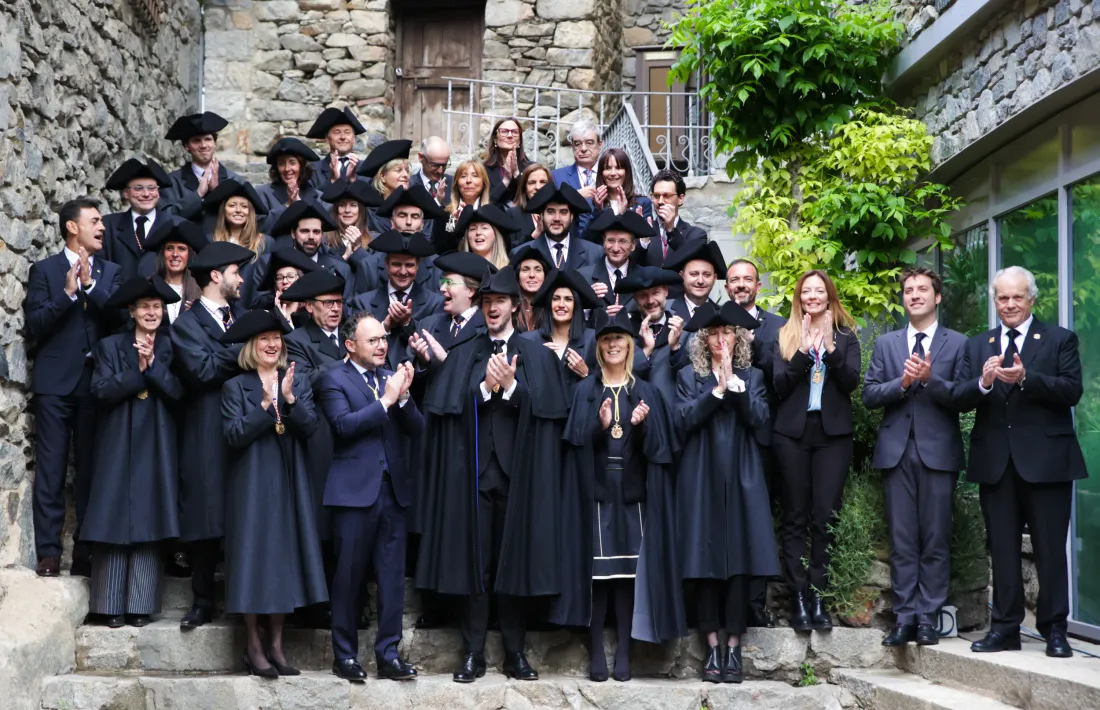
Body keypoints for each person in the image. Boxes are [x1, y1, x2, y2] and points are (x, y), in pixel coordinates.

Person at [414, 266, 569, 683]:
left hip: (520, 478)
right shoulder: (466, 350)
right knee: (476, 565)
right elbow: (447, 409)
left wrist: (514, 390)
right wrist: (484, 388)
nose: (493, 309)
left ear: (515, 306)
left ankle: (516, 653)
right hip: (476, 477)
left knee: (513, 563)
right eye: (487, 303)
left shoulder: (536, 353)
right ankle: (473, 653)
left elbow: (551, 412)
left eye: (500, 302)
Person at [953, 266, 1087, 659]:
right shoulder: (978, 345)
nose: (1009, 304)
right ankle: (1005, 628)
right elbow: (960, 397)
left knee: (1049, 549)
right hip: (996, 461)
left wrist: (1028, 378)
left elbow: (1071, 391)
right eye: (1002, 298)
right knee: (1003, 549)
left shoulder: (1059, 339)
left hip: (1047, 461)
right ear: (994, 300)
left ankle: (1055, 630)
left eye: (1016, 297)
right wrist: (984, 383)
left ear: (1031, 299)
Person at [552, 310, 683, 682]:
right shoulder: (585, 391)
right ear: (599, 347)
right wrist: (600, 426)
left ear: (629, 346)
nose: (612, 345)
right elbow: (574, 446)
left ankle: (624, 653)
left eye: (619, 340)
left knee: (627, 575)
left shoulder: (645, 391)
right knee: (598, 574)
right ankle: (596, 653)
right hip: (595, 495)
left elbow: (660, 452)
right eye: (606, 340)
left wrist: (641, 429)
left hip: (634, 494)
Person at [220, 310, 328, 677]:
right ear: (252, 346)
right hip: (250, 483)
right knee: (253, 559)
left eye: (276, 338)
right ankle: (253, 645)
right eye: (264, 339)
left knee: (282, 558)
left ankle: (278, 646)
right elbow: (233, 435)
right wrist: (266, 406)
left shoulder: (295, 380)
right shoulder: (235, 386)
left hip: (287, 479)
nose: (271, 344)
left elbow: (311, 427)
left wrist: (289, 401)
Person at [863, 267, 967, 647]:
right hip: (896, 452)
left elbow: (964, 396)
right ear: (903, 299)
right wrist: (903, 383)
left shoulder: (957, 343)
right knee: (902, 539)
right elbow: (870, 395)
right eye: (909, 290)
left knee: (936, 538)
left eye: (923, 289)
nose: (915, 295)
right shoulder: (888, 344)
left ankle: (929, 617)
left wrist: (929, 379)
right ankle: (905, 616)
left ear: (937, 297)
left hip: (938, 452)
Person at [676, 302, 780, 683]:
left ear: (737, 339)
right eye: (715, 334)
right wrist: (715, 391)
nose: (721, 339)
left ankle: (734, 647)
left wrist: (734, 389)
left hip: (741, 476)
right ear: (705, 339)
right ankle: (713, 646)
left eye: (728, 333)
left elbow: (762, 420)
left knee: (738, 564)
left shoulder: (751, 377)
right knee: (705, 564)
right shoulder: (690, 376)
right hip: (701, 477)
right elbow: (682, 419)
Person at [317, 312, 422, 682]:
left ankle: (388, 654)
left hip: (392, 492)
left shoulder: (388, 375)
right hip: (352, 495)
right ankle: (344, 656)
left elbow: (418, 429)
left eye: (383, 339)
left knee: (392, 579)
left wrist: (405, 398)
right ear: (350, 346)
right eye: (373, 340)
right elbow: (344, 426)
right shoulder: (333, 378)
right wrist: (386, 402)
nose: (382, 346)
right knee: (348, 577)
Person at [25, 197, 122, 578]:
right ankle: (49, 553)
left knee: (91, 470)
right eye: (95, 221)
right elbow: (36, 325)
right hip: (54, 384)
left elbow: (118, 318)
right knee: (50, 470)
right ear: (72, 227)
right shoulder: (45, 270)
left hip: (97, 383)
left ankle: (85, 549)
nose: (102, 227)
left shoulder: (111, 272)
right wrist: (67, 295)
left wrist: (90, 285)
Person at [82, 275, 183, 627]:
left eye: (157, 307)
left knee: (149, 517)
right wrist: (138, 373)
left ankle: (140, 605)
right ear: (132, 311)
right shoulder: (110, 346)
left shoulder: (171, 346)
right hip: (116, 439)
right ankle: (109, 606)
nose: (152, 312)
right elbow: (101, 390)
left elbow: (178, 392)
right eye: (145, 307)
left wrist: (153, 367)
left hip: (156, 440)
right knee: (111, 517)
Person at [169, 240, 254, 628]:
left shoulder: (242, 317)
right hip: (205, 428)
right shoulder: (186, 325)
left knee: (242, 514)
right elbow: (201, 372)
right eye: (236, 272)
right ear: (216, 276)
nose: (241, 278)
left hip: (245, 426)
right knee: (205, 514)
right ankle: (202, 599)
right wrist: (241, 351)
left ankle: (243, 597)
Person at [772, 270, 861, 632]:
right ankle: (797, 599)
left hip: (833, 435)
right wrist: (806, 354)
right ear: (799, 297)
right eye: (805, 290)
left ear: (829, 296)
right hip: (792, 433)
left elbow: (852, 382)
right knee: (794, 516)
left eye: (818, 290)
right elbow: (778, 385)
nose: (812, 295)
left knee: (825, 517)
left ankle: (818, 597)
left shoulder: (846, 336)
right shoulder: (784, 335)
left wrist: (830, 351)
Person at [725, 258, 787, 627]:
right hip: (723, 437)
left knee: (758, 521)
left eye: (748, 279)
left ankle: (754, 603)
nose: (741, 285)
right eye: (734, 280)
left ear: (758, 286)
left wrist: (753, 346)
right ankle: (727, 599)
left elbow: (781, 378)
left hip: (761, 437)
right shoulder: (715, 322)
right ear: (727, 286)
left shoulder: (777, 326)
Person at [347, 230, 442, 368]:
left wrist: (407, 323)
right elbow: (354, 347)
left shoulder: (434, 304)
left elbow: (432, 355)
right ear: (386, 264)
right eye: (397, 264)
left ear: (417, 266)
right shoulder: (363, 302)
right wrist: (384, 327)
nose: (403, 272)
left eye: (409, 265)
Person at [612, 266, 686, 405]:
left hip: (669, 415)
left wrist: (675, 348)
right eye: (643, 295)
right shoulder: (622, 333)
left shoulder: (685, 332)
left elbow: (689, 380)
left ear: (666, 291)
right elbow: (617, 377)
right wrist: (645, 351)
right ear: (635, 297)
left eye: (656, 292)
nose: (650, 300)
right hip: (631, 414)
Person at [521, 268, 602, 392]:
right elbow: (522, 391)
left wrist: (586, 373)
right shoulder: (528, 341)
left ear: (576, 305)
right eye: (556, 298)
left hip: (578, 410)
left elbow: (604, 390)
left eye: (568, 299)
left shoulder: (593, 340)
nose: (561, 305)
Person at [202, 179, 274, 313]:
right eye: (232, 205)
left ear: (250, 212)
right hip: (217, 309)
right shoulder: (210, 241)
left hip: (252, 310)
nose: (238, 210)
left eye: (244, 206)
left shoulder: (264, 243)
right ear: (223, 210)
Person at [267, 200, 354, 305]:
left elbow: (348, 308)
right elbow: (257, 301)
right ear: (293, 233)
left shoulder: (341, 269)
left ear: (322, 235)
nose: (311, 237)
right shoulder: (273, 262)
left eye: (316, 232)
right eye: (305, 231)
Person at [101, 158, 175, 280]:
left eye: (151, 188)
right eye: (138, 188)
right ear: (125, 193)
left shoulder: (175, 225)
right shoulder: (107, 226)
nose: (146, 194)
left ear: (158, 192)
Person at [509, 183, 602, 272]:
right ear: (541, 215)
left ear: (572, 216)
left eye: (563, 212)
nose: (557, 218)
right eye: (551, 212)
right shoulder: (519, 254)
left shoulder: (594, 253)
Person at [162, 112, 240, 216]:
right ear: (186, 146)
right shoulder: (172, 182)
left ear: (214, 144)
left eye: (208, 139)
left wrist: (217, 193)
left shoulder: (235, 181)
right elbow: (165, 217)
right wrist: (198, 195)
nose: (203, 145)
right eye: (196, 141)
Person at [580, 210, 654, 317]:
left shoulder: (645, 278)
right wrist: (587, 301)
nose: (615, 248)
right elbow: (574, 322)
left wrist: (629, 317)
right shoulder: (583, 277)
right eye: (610, 241)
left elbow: (654, 318)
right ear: (603, 242)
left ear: (633, 245)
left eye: (622, 241)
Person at [138, 217, 207, 326]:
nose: (175, 254)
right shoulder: (148, 287)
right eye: (169, 248)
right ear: (162, 254)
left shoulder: (203, 291)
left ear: (190, 255)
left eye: (181, 249)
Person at [319, 180, 383, 294]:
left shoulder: (376, 239)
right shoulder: (324, 240)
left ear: (361, 210)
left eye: (353, 205)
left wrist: (358, 250)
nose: (347, 210)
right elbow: (323, 275)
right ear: (336, 210)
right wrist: (345, 256)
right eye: (342, 205)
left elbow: (377, 275)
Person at [637, 170, 708, 267]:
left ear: (680, 198)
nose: (660, 201)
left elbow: (693, 264)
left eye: (667, 196)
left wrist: (671, 229)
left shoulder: (696, 235)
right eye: (656, 196)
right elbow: (632, 266)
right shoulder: (645, 231)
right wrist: (643, 242)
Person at [255, 137, 323, 234]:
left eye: (292, 163)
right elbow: (259, 228)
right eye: (281, 164)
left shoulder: (319, 198)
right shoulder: (263, 194)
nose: (287, 169)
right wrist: (288, 206)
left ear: (301, 166)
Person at [585, 149, 652, 238]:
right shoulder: (590, 204)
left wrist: (625, 214)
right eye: (608, 168)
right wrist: (597, 211)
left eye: (618, 168)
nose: (613, 173)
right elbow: (584, 241)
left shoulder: (643, 203)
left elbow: (644, 244)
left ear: (626, 172)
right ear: (601, 173)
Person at [551, 119, 602, 237]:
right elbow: (550, 209)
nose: (583, 148)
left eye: (589, 142)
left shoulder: (609, 175)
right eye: (578, 144)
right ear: (572, 146)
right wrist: (574, 196)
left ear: (600, 145)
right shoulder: (557, 176)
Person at [256, 246, 320, 329]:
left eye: (290, 276)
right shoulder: (265, 314)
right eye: (279, 278)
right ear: (275, 287)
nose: (285, 281)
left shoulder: (311, 315)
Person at [358, 140, 413, 236]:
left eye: (407, 170)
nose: (405, 175)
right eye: (398, 170)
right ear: (382, 176)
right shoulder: (369, 213)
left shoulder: (415, 206)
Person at [662, 238, 724, 319]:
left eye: (707, 275)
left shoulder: (722, 315)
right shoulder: (664, 310)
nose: (700, 281)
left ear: (715, 278)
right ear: (682, 275)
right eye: (694, 274)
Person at [307, 106, 367, 188]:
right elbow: (310, 199)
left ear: (353, 138)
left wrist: (353, 181)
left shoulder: (366, 169)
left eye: (347, 132)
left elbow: (370, 199)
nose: (343, 137)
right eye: (337, 132)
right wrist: (332, 180)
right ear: (327, 139)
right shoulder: (313, 170)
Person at [452, 204, 514, 270]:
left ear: (496, 235)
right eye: (473, 229)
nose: (478, 232)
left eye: (484, 228)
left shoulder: (510, 271)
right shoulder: (457, 270)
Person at [505, 163, 553, 246]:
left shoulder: (562, 213)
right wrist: (536, 233)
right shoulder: (512, 215)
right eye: (532, 182)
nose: (538, 187)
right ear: (524, 187)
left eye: (543, 182)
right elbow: (511, 251)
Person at [483, 117, 531, 196]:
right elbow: (485, 201)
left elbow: (533, 198)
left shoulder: (531, 168)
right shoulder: (484, 169)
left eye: (515, 132)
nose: (510, 135)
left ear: (519, 140)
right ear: (495, 139)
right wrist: (506, 180)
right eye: (504, 131)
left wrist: (516, 174)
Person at [510, 244, 552, 333]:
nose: (532, 275)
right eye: (525, 269)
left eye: (538, 270)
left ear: (545, 276)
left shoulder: (553, 306)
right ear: (518, 276)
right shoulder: (509, 307)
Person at [445, 159, 494, 226]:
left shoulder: (493, 212)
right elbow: (442, 236)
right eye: (463, 176)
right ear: (456, 183)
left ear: (484, 183)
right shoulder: (445, 212)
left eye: (475, 176)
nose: (468, 180)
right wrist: (453, 223)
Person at [414, 136, 453, 208]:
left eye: (444, 165)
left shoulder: (455, 184)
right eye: (435, 165)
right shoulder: (409, 186)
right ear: (420, 157)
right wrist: (437, 202)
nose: (440, 171)